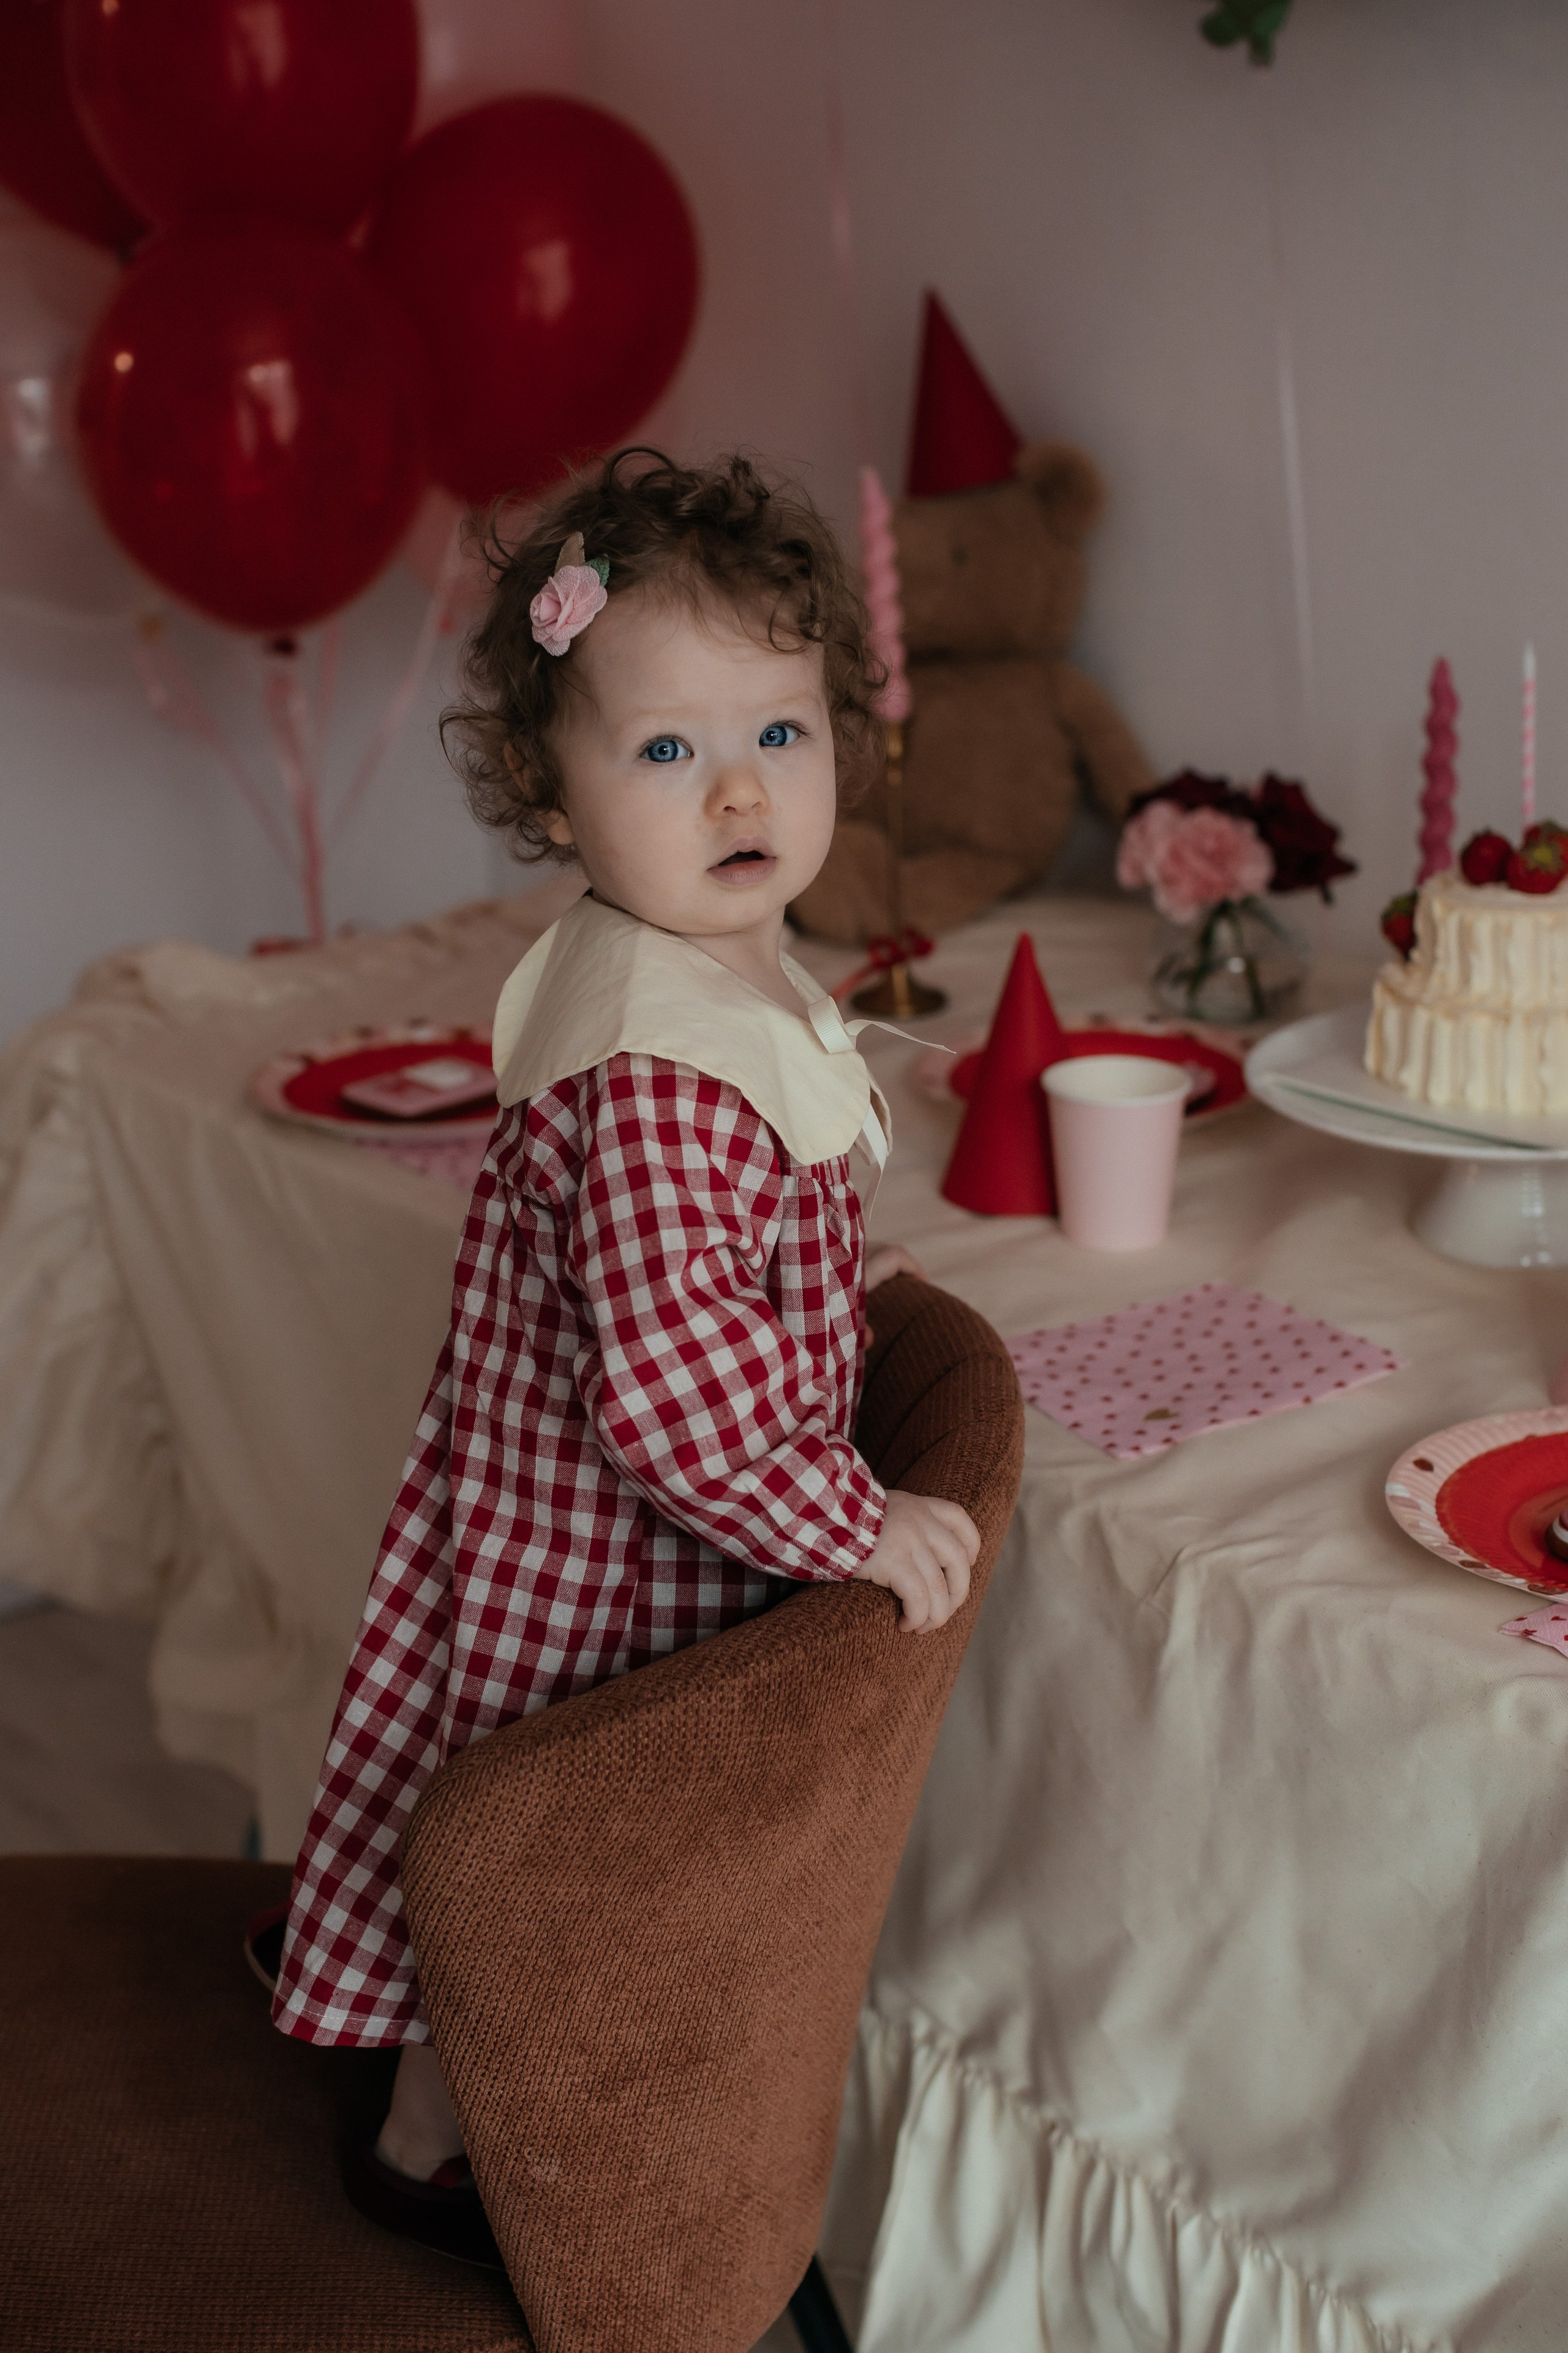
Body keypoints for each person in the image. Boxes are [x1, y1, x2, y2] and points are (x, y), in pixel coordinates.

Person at [263, 448, 980, 2255]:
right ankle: (437, 2129)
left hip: (637, 1528)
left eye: (783, 731)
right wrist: (848, 1516)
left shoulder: (719, 956)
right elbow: (669, 1397)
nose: (741, 786)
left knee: (557, 1867)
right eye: (666, 750)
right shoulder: (655, 1069)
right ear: (553, 799)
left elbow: (759, 1241)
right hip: (604, 1560)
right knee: (533, 1860)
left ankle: (466, 2052)